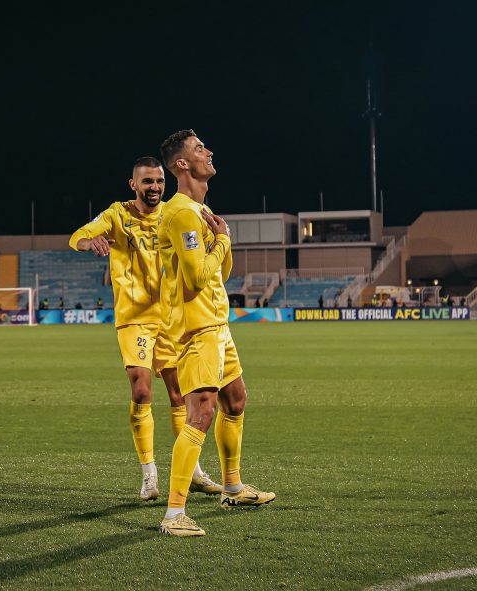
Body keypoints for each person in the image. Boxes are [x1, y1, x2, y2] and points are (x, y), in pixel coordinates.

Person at [69, 156, 220, 502]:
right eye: (147, 182)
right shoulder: (117, 215)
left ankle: (194, 473)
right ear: (133, 184)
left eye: (159, 182)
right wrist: (88, 242)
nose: (154, 187)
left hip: (170, 317)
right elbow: (78, 235)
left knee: (180, 394)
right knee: (141, 391)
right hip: (134, 317)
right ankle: (149, 475)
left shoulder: (173, 213)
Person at [157, 130, 274, 537]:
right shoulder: (182, 214)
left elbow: (219, 274)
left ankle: (233, 487)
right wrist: (222, 241)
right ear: (182, 165)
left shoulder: (199, 212)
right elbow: (194, 276)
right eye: (199, 148)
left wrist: (222, 240)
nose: (209, 152)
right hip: (195, 328)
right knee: (202, 412)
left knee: (235, 400)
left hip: (217, 324)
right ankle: (174, 514)